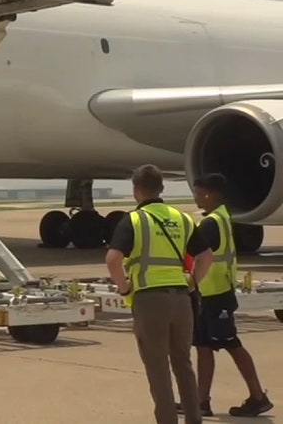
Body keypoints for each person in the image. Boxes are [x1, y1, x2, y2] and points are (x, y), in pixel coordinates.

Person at [106, 164, 213, 424]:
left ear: (136, 190)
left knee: (157, 367)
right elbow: (206, 256)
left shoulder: (134, 220)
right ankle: (194, 418)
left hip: (150, 300)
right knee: (183, 363)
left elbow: (113, 259)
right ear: (162, 189)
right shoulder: (182, 218)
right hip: (181, 299)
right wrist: (192, 282)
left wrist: (124, 287)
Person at [185, 173, 273, 417]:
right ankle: (201, 401)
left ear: (209, 193)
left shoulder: (212, 223)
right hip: (209, 293)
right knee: (203, 345)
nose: (196, 196)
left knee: (231, 343)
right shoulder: (221, 217)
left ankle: (258, 396)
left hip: (216, 295)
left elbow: (199, 254)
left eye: (198, 191)